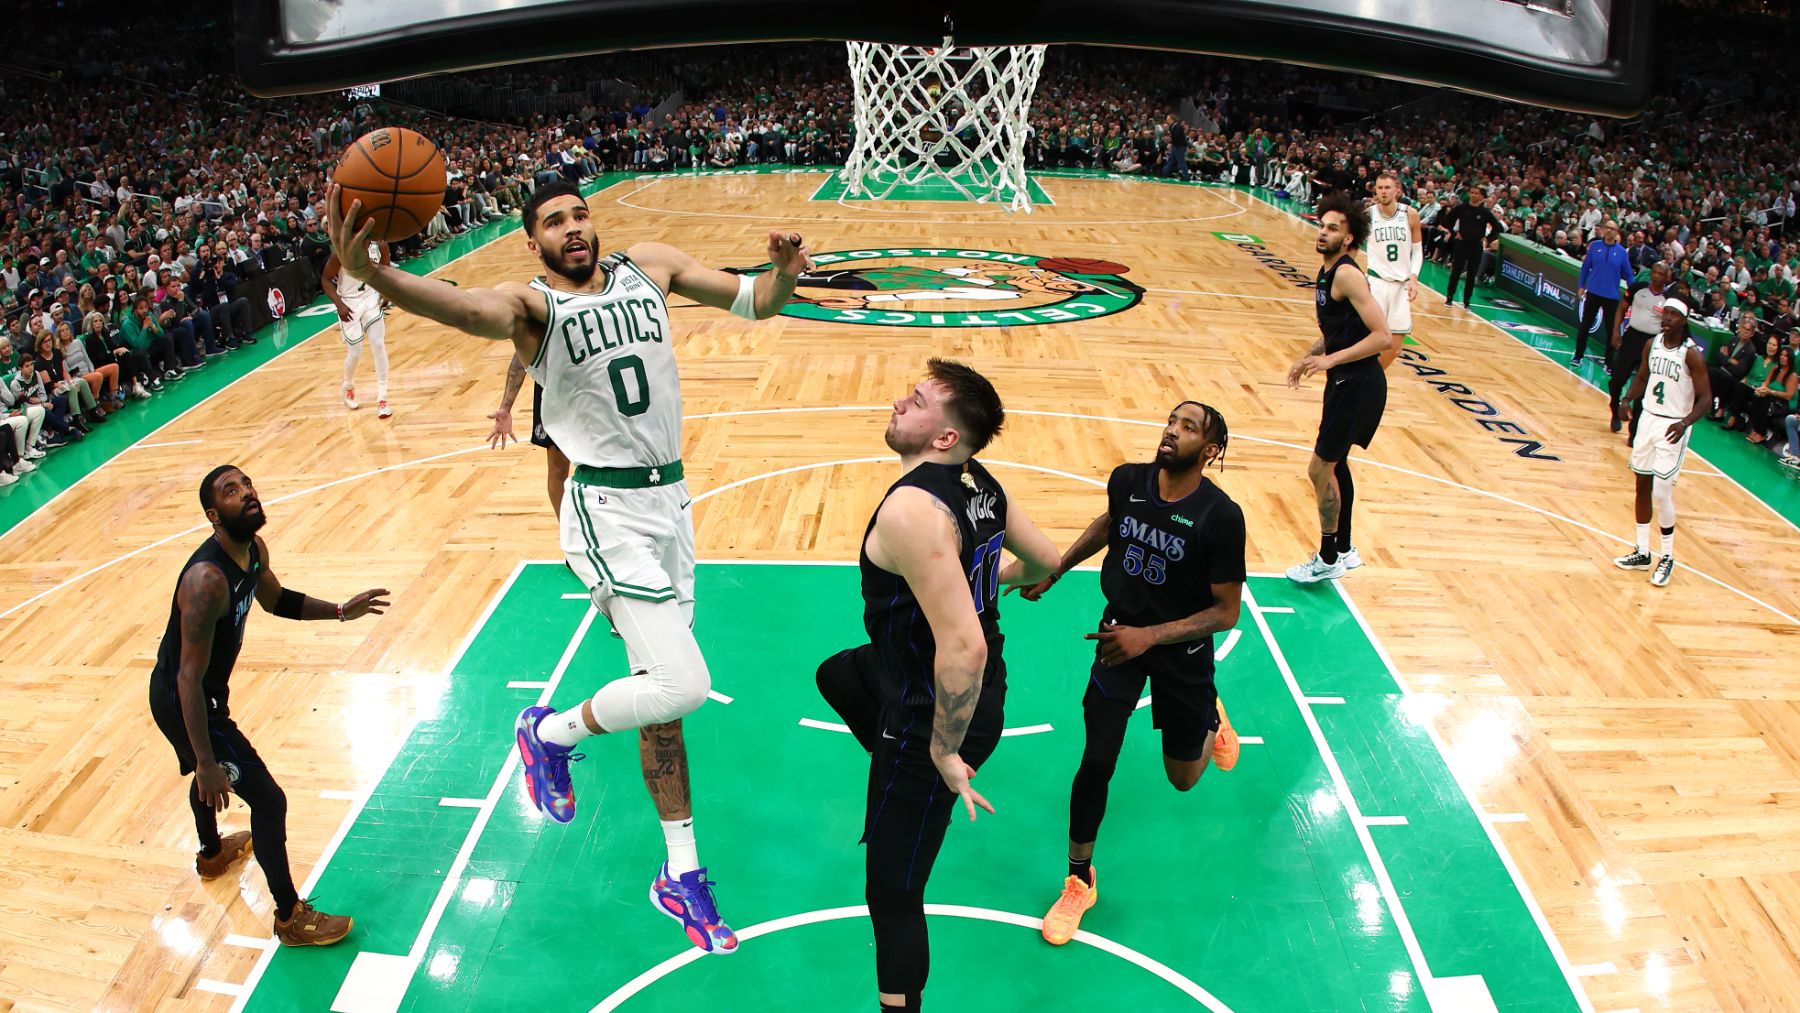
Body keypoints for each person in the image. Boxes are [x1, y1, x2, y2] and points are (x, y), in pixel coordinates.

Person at [325, 178, 810, 953]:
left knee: (664, 695)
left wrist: (784, 269)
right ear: (533, 240)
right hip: (605, 511)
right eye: (554, 222)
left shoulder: (648, 264)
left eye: (580, 214)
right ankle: (546, 733)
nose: (573, 229)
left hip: (671, 504)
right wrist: (378, 277)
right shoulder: (531, 307)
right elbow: (463, 308)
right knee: (681, 681)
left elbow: (756, 300)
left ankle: (679, 874)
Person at [813, 360, 1059, 1013]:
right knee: (838, 673)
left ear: (944, 437)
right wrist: (1001, 579)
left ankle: (916, 779)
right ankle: (905, 775)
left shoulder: (911, 510)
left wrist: (944, 751)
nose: (899, 402)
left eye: (916, 400)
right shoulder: (981, 483)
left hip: (936, 713)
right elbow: (1048, 561)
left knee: (892, 893)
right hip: (936, 680)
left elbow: (965, 647)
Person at [1009, 401, 1245, 946]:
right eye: (1171, 421)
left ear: (1210, 451)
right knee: (1096, 760)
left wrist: (1153, 637)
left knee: (1183, 779)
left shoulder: (1220, 516)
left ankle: (1210, 711)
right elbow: (1111, 524)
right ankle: (1079, 879)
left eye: (1188, 428)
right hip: (1117, 637)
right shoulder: (1128, 480)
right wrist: (1057, 569)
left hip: (1180, 652)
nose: (1172, 431)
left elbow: (1225, 613)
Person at [149, 465, 388, 944]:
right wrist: (206, 760)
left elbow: (276, 600)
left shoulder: (253, 551)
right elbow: (187, 679)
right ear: (214, 515)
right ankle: (289, 916)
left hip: (200, 694)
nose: (248, 493)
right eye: (232, 491)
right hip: (184, 699)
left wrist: (341, 610)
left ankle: (212, 854)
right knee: (266, 798)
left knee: (215, 775)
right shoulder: (205, 582)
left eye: (248, 484)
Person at [1286, 192, 1395, 583]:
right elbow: (1337, 329)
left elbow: (1382, 336)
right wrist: (1310, 355)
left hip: (1359, 383)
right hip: (1347, 380)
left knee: (1319, 469)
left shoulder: (1348, 273)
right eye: (1322, 225)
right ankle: (1345, 550)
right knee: (1338, 464)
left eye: (1333, 228)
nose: (1323, 232)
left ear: (1348, 238)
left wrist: (1328, 360)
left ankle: (1328, 555)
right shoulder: (1326, 270)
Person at [1614, 299, 1711, 588]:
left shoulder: (1691, 355)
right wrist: (1627, 398)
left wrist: (1684, 424)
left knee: (1661, 492)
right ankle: (1643, 551)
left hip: (1673, 425)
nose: (1666, 318)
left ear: (1684, 320)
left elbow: (1706, 400)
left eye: (1672, 315)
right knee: (1641, 485)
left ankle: (1667, 556)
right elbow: (1643, 376)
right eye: (1664, 313)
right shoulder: (1652, 344)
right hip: (1648, 421)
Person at [486, 354, 571, 521]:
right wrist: (505, 408)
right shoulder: (545, 327)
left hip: (597, 382)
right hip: (554, 388)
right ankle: (567, 534)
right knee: (557, 468)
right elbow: (520, 355)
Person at [323, 237, 393, 417]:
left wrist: (387, 291)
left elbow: (386, 270)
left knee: (378, 344)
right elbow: (326, 279)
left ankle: (383, 397)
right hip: (349, 303)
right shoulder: (342, 251)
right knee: (355, 353)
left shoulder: (381, 245)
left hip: (371, 299)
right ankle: (347, 384)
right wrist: (339, 305)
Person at [1364, 172, 1420, 367]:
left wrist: (1413, 279)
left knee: (1394, 348)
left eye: (1387, 187)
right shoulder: (1368, 215)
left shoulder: (1410, 214)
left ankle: (1372, 382)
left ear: (1397, 190)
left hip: (1401, 286)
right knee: (1368, 341)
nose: (1383, 192)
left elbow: (1417, 251)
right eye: (1379, 188)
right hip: (1376, 283)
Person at [1610, 263, 1673, 436]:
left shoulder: (1669, 298)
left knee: (1643, 386)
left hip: (1651, 342)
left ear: (1666, 277)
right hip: (1632, 338)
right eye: (1655, 272)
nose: (1657, 276)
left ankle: (1634, 430)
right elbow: (1622, 307)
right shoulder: (1638, 289)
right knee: (1617, 380)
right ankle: (1615, 410)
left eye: (1661, 273)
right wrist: (1616, 331)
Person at [1576, 221, 1633, 367]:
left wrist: (1635, 291)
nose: (1609, 231)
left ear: (1617, 232)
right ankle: (1578, 356)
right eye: (1607, 228)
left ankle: (1608, 363)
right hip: (1593, 292)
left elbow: (1628, 275)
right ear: (1603, 229)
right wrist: (1581, 285)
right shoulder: (1595, 247)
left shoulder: (1621, 252)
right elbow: (1585, 268)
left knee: (1611, 331)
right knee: (1584, 326)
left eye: (1613, 229)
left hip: (1611, 296)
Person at [1442, 186, 1502, 309]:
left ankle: (1467, 301)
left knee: (1471, 274)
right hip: (1461, 244)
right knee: (1456, 272)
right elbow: (1448, 220)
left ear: (1481, 196)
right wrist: (1454, 233)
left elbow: (1497, 227)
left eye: (1476, 193)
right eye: (1472, 192)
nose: (1473, 195)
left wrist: (1487, 238)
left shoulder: (1485, 212)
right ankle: (1449, 298)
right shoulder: (1462, 208)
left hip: (1476, 246)